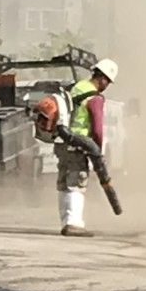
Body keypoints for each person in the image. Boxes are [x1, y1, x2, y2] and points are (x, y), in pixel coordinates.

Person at [56, 57, 115, 236]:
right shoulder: (95, 97)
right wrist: (97, 151)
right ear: (103, 78)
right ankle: (74, 224)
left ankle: (67, 221)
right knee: (77, 183)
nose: (107, 86)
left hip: (62, 142)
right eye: (108, 82)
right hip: (78, 144)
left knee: (64, 184)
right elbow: (97, 128)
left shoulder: (78, 87)